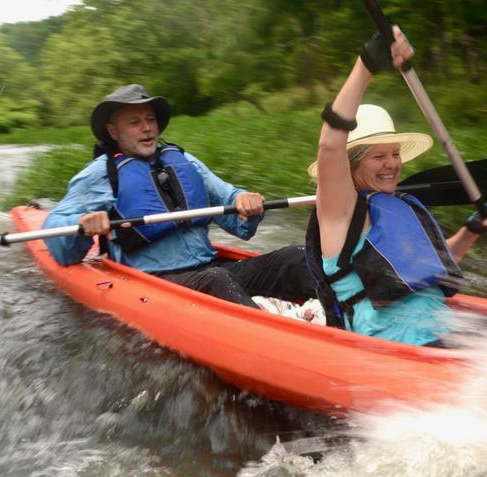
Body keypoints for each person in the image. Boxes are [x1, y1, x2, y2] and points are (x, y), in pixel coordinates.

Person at [305, 27, 487, 346]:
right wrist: (366, 64)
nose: (393, 164)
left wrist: (471, 231)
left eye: (395, 154)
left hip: (443, 331)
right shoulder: (339, 210)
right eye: (379, 156)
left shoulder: (400, 207)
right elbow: (330, 144)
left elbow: (428, 265)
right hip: (395, 346)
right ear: (351, 164)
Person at [43, 83, 315, 309]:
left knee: (295, 257)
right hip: (156, 283)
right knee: (216, 279)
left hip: (210, 270)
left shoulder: (184, 161)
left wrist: (246, 201)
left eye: (150, 120)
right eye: (135, 122)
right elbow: (57, 236)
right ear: (114, 132)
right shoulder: (101, 174)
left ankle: (341, 317)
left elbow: (235, 214)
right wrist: (82, 225)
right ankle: (276, 339)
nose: (147, 128)